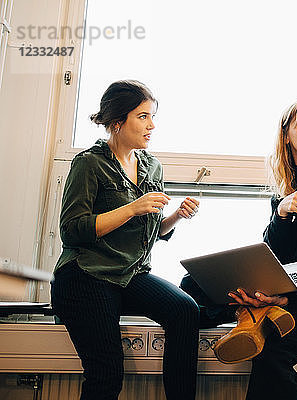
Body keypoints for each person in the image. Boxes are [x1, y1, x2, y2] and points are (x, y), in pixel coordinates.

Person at [180, 100, 297, 399]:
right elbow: (273, 254)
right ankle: (251, 311)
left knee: (271, 356)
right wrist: (280, 213)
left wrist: (285, 297)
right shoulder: (284, 190)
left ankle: (257, 313)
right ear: (285, 135)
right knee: (191, 286)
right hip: (291, 278)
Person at [51, 80, 202, 400]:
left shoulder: (151, 166)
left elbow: (151, 230)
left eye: (152, 117)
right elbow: (73, 229)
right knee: (105, 375)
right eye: (143, 116)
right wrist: (132, 208)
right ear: (117, 122)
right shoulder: (89, 164)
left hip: (129, 275)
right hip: (86, 276)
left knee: (185, 309)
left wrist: (175, 217)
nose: (152, 125)